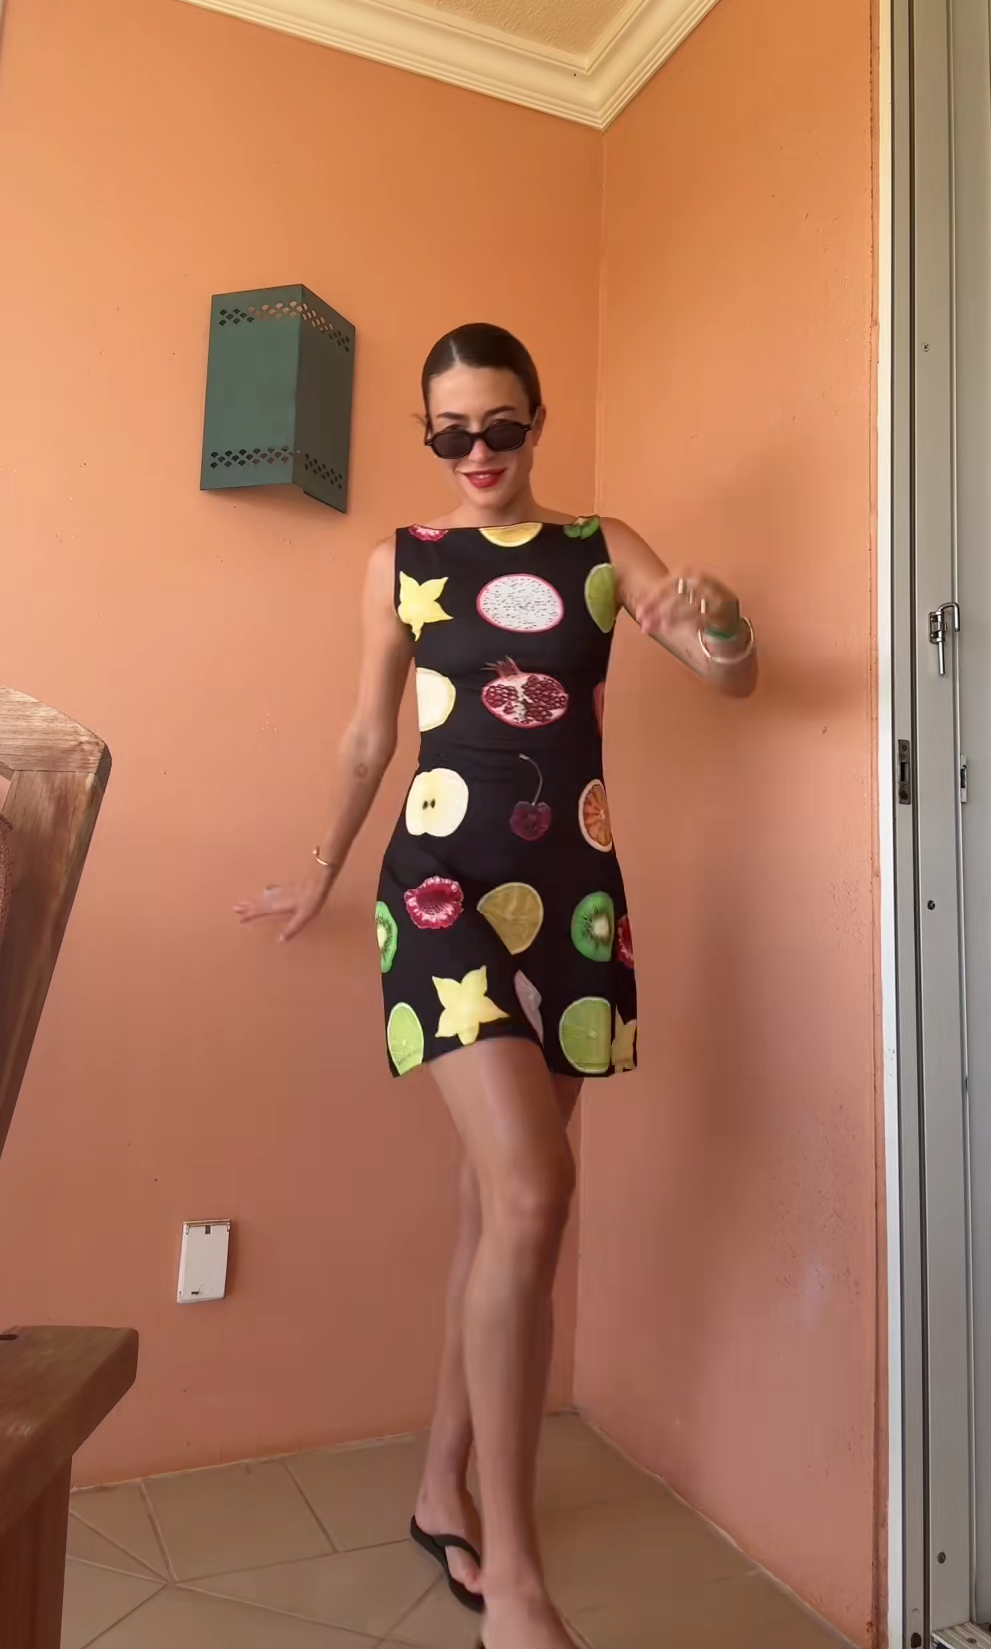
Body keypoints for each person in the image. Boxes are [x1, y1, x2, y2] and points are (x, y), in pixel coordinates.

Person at [236, 323, 756, 1649]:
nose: (478, 452)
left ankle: (438, 1492)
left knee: (496, 1212)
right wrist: (320, 873)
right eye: (452, 433)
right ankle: (515, 1583)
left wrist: (722, 622)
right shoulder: (402, 562)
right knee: (533, 1192)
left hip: (575, 902)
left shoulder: (599, 546)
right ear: (429, 434)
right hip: (438, 894)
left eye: (503, 428)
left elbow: (725, 672)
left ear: (537, 420)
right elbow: (371, 732)